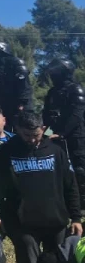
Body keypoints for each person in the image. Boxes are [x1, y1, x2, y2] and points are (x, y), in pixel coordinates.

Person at [0, 110, 82, 263]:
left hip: (55, 222)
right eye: (27, 135)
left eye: (36, 135)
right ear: (18, 130)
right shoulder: (6, 152)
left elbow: (70, 185)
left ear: (43, 129)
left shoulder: (56, 151)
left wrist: (76, 217)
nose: (32, 140)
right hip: (22, 224)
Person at [41, 58, 85, 197]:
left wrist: (62, 133)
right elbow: (47, 115)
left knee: (79, 169)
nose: (52, 76)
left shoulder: (75, 90)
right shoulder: (52, 93)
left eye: (55, 72)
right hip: (55, 135)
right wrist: (46, 133)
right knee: (58, 168)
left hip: (75, 136)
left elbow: (76, 116)